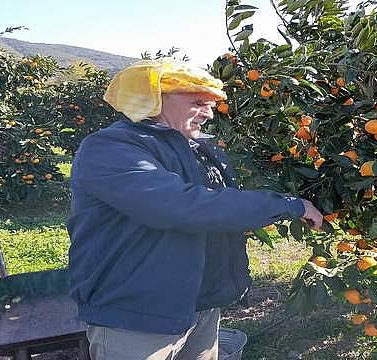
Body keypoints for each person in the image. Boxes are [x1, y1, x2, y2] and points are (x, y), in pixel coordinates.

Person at [67, 57, 323, 360]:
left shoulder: (196, 147)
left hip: (199, 303)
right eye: (198, 102)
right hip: (138, 313)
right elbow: (180, 205)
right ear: (154, 99)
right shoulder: (110, 148)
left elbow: (218, 205)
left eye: (211, 103)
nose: (209, 112)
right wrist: (288, 206)